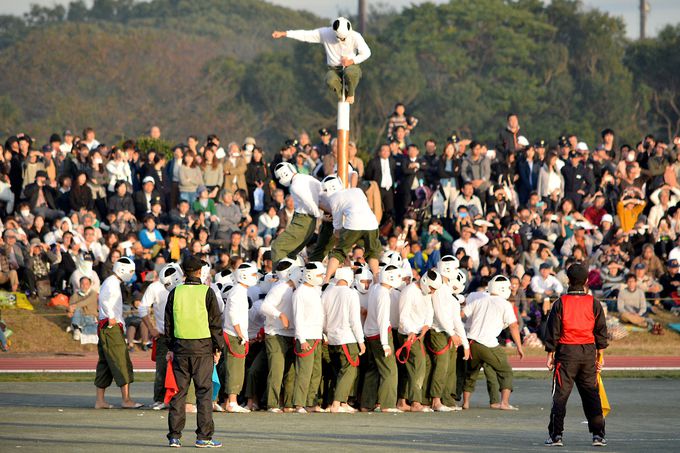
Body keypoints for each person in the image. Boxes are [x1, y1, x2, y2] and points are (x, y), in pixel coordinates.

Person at [544, 263, 608, 448]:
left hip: (566, 353)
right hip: (588, 352)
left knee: (560, 396)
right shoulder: (594, 303)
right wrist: (600, 356)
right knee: (591, 394)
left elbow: (553, 331)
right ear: (586, 281)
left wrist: (550, 353)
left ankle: (556, 435)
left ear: (568, 281)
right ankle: (598, 435)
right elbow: (601, 331)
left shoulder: (560, 303)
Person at [164, 255, 225, 448]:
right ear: (200, 272)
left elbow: (168, 324)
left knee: (178, 394)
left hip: (181, 348)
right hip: (203, 348)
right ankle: (203, 437)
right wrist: (218, 347)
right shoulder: (207, 292)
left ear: (183, 272)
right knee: (204, 394)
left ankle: (174, 436)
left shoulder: (175, 292)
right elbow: (215, 323)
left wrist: (170, 347)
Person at [272, 17, 371, 104]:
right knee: (330, 80)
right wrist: (284, 33)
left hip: (351, 67)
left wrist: (352, 60)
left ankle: (350, 94)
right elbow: (305, 35)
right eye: (341, 39)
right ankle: (342, 95)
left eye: (344, 39)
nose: (343, 41)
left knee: (350, 73)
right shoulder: (326, 33)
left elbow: (367, 52)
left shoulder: (355, 36)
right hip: (334, 69)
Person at [462, 275, 524, 410]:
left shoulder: (479, 298)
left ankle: (465, 403)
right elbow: (513, 326)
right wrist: (519, 346)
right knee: (505, 371)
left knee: (471, 373)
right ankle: (504, 403)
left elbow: (462, 314)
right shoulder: (505, 304)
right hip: (488, 343)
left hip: (471, 341)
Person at [94, 256, 142, 410]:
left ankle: (100, 401)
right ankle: (126, 400)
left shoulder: (112, 282)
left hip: (107, 328)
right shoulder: (112, 283)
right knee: (121, 361)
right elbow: (104, 300)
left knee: (106, 363)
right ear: (122, 270)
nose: (132, 274)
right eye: (131, 271)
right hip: (110, 327)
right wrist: (111, 317)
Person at [139, 263, 183, 410]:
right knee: (162, 368)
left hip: (183, 335)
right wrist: (151, 328)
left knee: (184, 369)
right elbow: (142, 307)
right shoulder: (156, 287)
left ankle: (181, 399)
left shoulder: (184, 286)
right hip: (164, 335)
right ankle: (160, 398)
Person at [321, 174, 381, 283]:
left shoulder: (333, 199)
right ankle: (377, 276)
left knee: (339, 252)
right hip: (372, 223)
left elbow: (338, 226)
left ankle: (326, 278)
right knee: (372, 251)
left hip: (353, 224)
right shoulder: (357, 190)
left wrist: (339, 238)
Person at [322, 266, 365, 413]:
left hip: (332, 337)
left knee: (337, 372)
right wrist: (361, 341)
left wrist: (326, 333)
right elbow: (355, 320)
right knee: (348, 371)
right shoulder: (351, 293)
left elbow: (324, 317)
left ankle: (341, 402)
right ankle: (336, 403)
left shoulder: (327, 292)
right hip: (347, 338)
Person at [362, 264, 401, 412]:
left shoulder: (375, 288)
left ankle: (367, 403)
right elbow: (383, 320)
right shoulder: (384, 294)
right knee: (390, 371)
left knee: (373, 370)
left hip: (371, 333)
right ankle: (387, 404)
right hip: (380, 334)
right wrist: (385, 344)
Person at [222, 262, 259, 413]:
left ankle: (229, 401)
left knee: (234, 368)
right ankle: (232, 401)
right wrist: (240, 333)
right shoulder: (238, 291)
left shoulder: (240, 290)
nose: (255, 277)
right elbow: (232, 314)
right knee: (235, 369)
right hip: (235, 335)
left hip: (236, 334)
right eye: (253, 274)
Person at [270, 162, 322, 264]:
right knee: (292, 252)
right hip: (309, 220)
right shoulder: (307, 177)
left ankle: (280, 276)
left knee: (277, 247)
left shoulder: (295, 186)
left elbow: (309, 203)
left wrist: (319, 215)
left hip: (302, 220)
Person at [291, 262, 325, 413]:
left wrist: (322, 333)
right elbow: (298, 317)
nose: (321, 277)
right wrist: (302, 339)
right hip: (306, 337)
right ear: (309, 275)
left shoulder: (316, 290)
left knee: (316, 372)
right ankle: (299, 403)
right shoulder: (300, 293)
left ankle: (311, 402)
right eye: (319, 275)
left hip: (317, 336)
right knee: (304, 371)